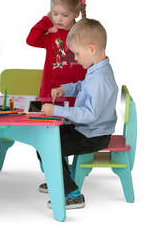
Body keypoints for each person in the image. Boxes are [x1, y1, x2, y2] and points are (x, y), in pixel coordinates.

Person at [40, 19, 118, 209]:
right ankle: (58, 177)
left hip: (94, 135)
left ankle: (72, 194)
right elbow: (82, 86)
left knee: (48, 147)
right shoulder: (96, 70)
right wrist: (64, 89)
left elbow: (90, 115)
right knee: (46, 138)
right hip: (87, 130)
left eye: (76, 53)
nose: (75, 58)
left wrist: (56, 110)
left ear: (91, 49)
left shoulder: (100, 79)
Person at [26, 0, 87, 107]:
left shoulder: (84, 32)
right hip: (51, 93)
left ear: (76, 13)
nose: (58, 18)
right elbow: (31, 40)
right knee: (49, 125)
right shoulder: (51, 33)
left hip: (77, 94)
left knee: (73, 125)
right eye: (55, 14)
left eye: (64, 15)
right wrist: (46, 20)